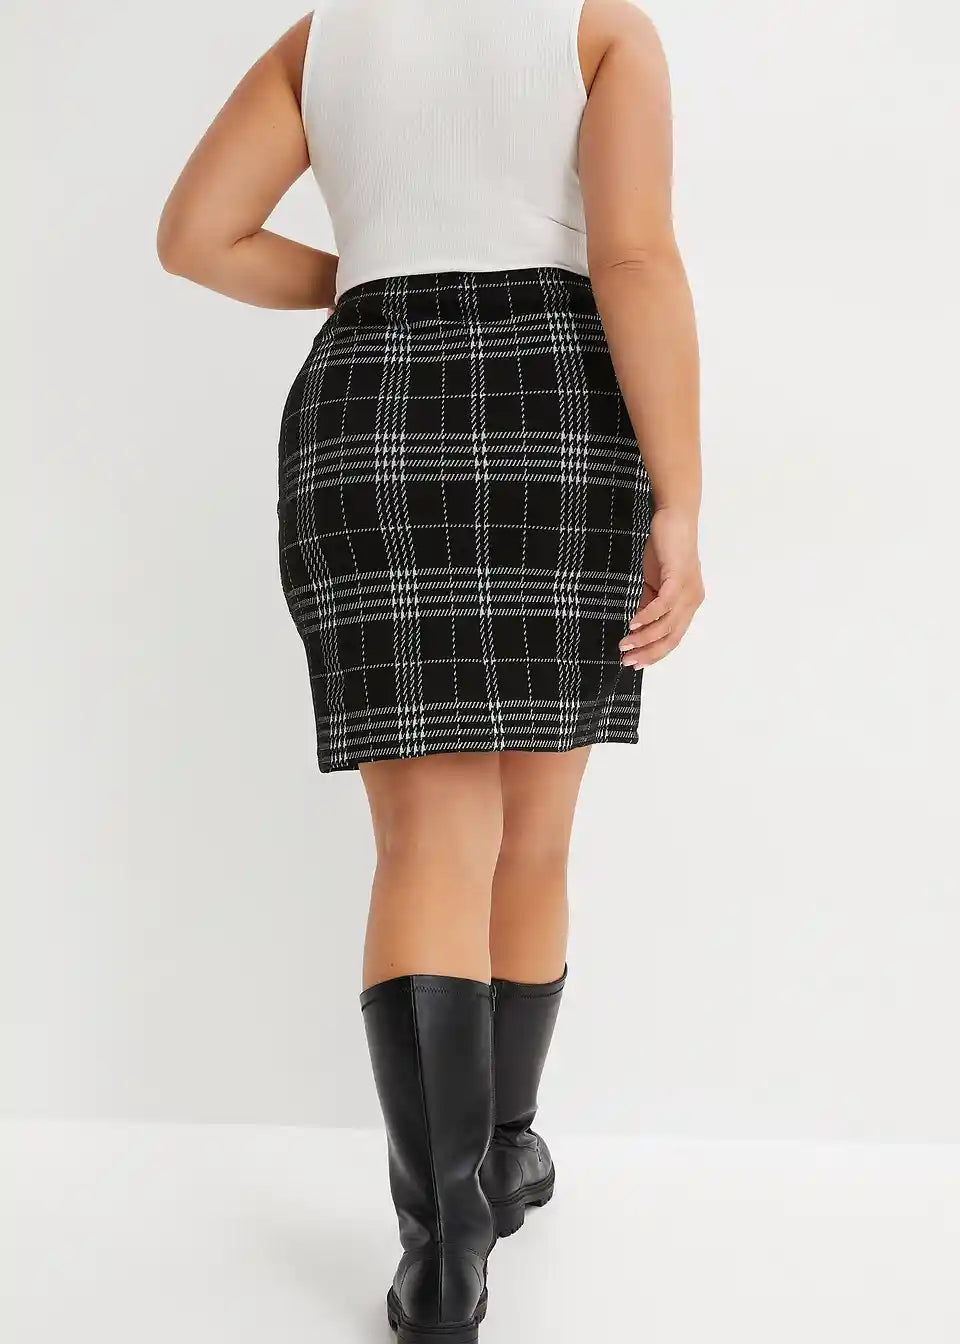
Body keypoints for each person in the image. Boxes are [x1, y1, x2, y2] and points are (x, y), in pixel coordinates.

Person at [157, 0, 704, 1338]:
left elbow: (198, 236)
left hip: (370, 414)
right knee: (536, 835)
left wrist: (367, 270)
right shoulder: (600, 29)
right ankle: (504, 1152)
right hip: (554, 409)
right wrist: (683, 501)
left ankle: (442, 1256)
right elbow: (634, 257)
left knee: (424, 847)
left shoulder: (324, 38)